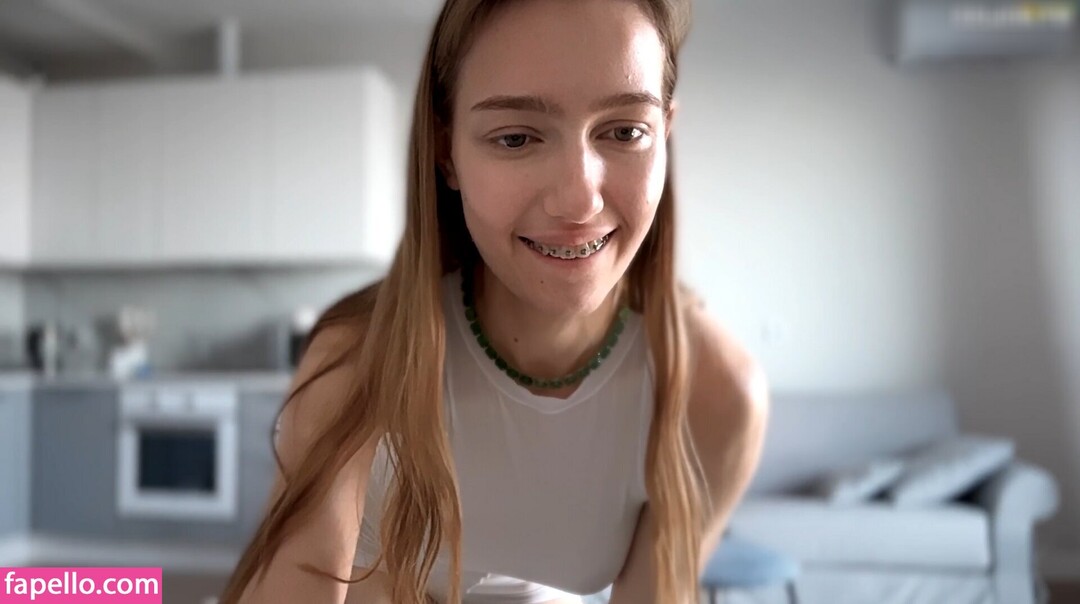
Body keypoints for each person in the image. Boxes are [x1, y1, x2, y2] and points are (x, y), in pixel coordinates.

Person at [220, 0, 768, 602]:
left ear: (664, 133)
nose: (578, 201)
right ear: (446, 153)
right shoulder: (358, 360)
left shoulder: (714, 395)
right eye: (515, 137)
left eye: (624, 132)